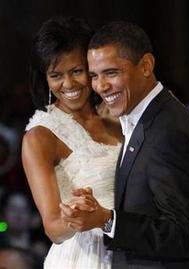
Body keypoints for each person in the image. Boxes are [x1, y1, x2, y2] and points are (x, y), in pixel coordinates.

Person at [60, 21, 189, 269]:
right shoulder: (146, 119)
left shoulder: (168, 132)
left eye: (111, 72)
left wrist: (107, 220)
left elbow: (183, 237)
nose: (100, 86)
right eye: (94, 76)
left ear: (145, 66)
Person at [21, 16, 122, 268]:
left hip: (132, 249)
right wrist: (76, 217)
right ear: (44, 77)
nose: (68, 84)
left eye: (77, 71)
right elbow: (53, 227)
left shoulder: (116, 114)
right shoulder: (40, 136)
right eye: (56, 75)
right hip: (85, 258)